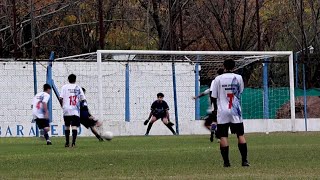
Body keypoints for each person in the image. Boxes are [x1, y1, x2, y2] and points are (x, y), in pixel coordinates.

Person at [211, 59, 249, 167]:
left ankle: (226, 162)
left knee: (223, 136)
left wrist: (215, 110)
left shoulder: (218, 79)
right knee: (240, 135)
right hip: (235, 111)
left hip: (222, 111)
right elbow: (240, 91)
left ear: (224, 66)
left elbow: (214, 96)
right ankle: (244, 161)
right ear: (234, 66)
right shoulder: (238, 77)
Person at [193, 69, 224, 142]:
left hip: (211, 110)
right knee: (217, 123)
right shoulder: (219, 90)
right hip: (218, 110)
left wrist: (196, 97)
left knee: (206, 124)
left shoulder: (209, 90)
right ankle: (217, 135)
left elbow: (202, 94)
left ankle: (214, 131)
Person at [59, 74, 86, 147]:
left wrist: (62, 106)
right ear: (75, 80)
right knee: (74, 127)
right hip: (75, 110)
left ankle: (67, 142)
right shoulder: (78, 87)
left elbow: (60, 98)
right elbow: (83, 99)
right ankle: (73, 143)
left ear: (68, 79)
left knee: (67, 126)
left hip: (66, 109)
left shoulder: (64, 87)